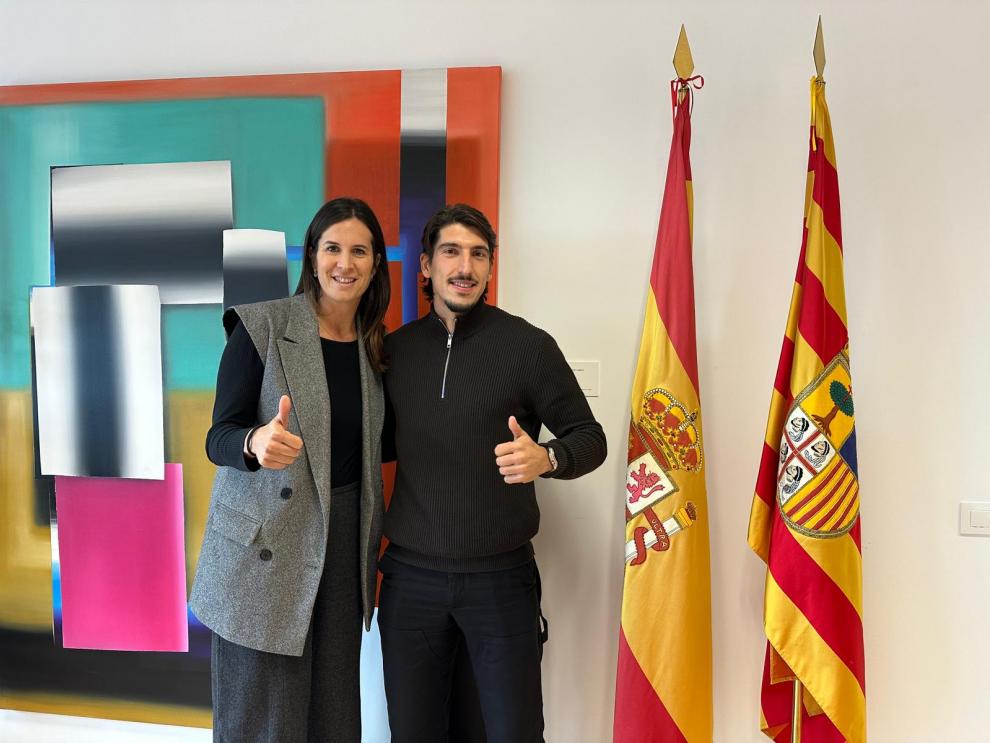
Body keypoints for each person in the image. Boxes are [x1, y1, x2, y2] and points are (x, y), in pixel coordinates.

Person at [379, 203, 607, 742]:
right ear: (427, 268)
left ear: (490, 268)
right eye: (452, 252)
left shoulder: (528, 347)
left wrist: (547, 458)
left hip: (500, 582)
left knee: (513, 732)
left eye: (478, 254)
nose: (465, 266)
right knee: (413, 733)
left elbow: (589, 439)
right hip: (411, 582)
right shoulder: (393, 352)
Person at [189, 197, 391, 742]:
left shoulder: (376, 349)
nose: (344, 262)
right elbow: (219, 436)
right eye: (332, 248)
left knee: (332, 715)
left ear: (375, 264)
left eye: (359, 250)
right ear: (312, 255)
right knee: (262, 720)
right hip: (266, 549)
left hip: (344, 544)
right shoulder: (264, 326)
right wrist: (256, 441)